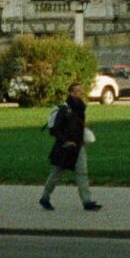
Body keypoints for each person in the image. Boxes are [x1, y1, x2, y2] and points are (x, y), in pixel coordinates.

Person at [39, 81, 101, 212]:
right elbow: (55, 129)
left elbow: (74, 125)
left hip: (78, 146)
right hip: (66, 147)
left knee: (82, 173)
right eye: (78, 90)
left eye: (81, 90)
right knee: (57, 173)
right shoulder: (64, 109)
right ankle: (45, 198)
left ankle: (87, 201)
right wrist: (66, 141)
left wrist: (82, 127)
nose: (81, 92)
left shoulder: (80, 108)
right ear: (71, 93)